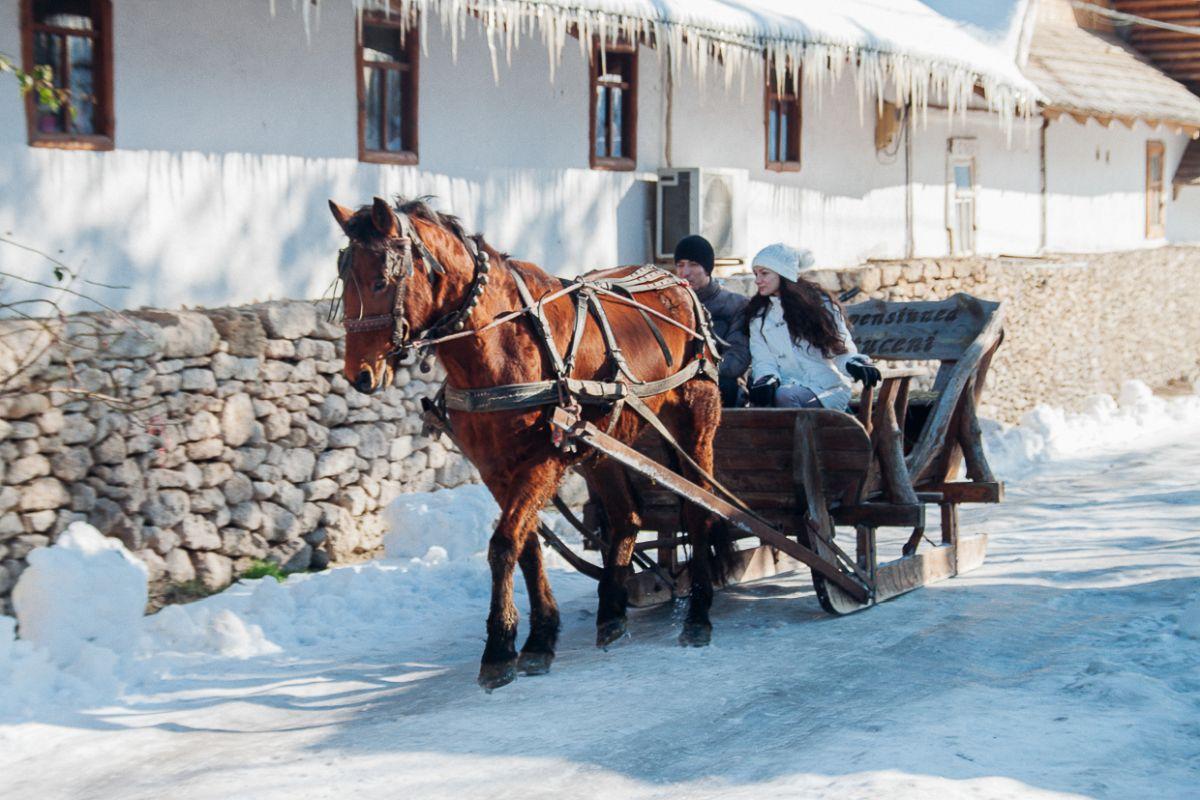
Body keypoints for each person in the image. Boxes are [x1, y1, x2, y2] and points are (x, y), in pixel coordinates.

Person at [743, 243, 880, 409]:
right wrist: (767, 379)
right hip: (786, 387)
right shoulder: (759, 315)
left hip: (826, 389)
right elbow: (763, 360)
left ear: (783, 273)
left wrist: (855, 363)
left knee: (785, 396)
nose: (758, 280)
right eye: (756, 273)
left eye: (764, 273)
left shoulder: (819, 305)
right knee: (766, 400)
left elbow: (840, 349)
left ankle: (806, 434)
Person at [673, 235, 750, 406]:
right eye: (680, 265)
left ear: (707, 269)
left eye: (693, 265)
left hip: (719, 383)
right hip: (675, 381)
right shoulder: (668, 306)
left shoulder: (736, 305)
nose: (685, 273)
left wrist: (698, 372)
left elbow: (737, 358)